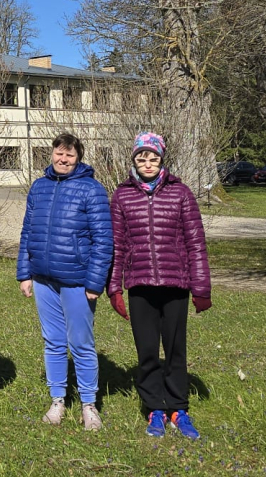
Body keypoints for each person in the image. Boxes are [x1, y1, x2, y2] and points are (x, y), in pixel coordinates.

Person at [106, 131, 213, 439]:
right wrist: (114, 287)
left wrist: (201, 288)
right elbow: (118, 245)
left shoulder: (180, 192)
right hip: (140, 285)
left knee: (176, 350)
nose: (148, 163)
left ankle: (179, 409)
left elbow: (196, 242)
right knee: (148, 351)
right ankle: (155, 408)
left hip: (175, 284)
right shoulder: (122, 195)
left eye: (153, 158)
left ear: (162, 159)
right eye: (142, 157)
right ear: (134, 160)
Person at [16, 132, 113, 430]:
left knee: (81, 343)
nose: (63, 159)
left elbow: (103, 240)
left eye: (70, 154)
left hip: (77, 282)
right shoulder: (39, 187)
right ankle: (57, 400)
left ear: (78, 157)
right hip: (44, 279)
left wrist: (95, 283)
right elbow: (27, 232)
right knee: (53, 342)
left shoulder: (91, 190)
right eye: (59, 153)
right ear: (52, 154)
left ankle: (88, 404)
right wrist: (24, 272)